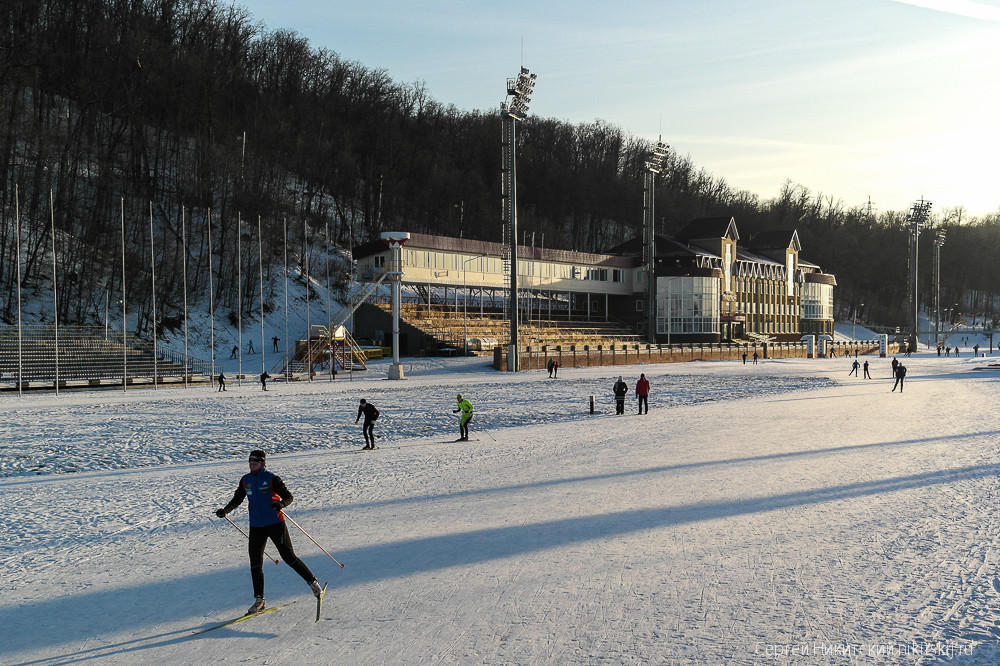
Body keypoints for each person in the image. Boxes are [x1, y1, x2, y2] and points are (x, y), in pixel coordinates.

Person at [214, 449, 323, 615]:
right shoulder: (246, 480)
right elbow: (238, 499)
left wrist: (281, 504)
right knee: (255, 562)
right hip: (256, 526)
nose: (252, 466)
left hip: (275, 523)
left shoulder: (272, 478)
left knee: (289, 557)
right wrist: (225, 510)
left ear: (263, 463)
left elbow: (288, 497)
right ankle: (259, 600)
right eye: (250, 463)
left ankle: (314, 584)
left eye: (255, 463)